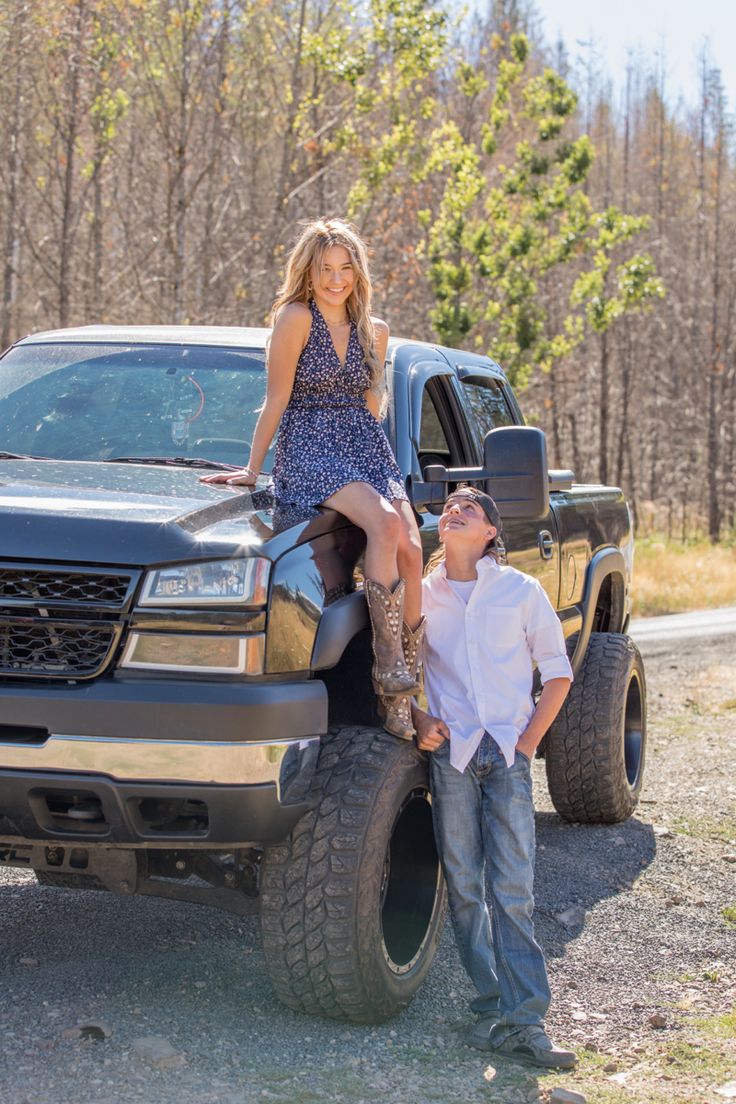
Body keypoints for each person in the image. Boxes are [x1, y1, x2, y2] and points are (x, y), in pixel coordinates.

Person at [202, 218, 423, 740]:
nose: (335, 279)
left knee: (413, 546)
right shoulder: (296, 317)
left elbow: (371, 405)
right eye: (325, 268)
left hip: (363, 443)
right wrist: (254, 470)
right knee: (385, 525)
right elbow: (276, 397)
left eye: (345, 268)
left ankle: (409, 689)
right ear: (309, 271)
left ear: (358, 272)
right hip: (311, 444)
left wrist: (375, 438)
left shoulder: (376, 330)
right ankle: (388, 671)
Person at [412, 486, 577, 1069]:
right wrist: (419, 717)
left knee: (512, 890)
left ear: (490, 533)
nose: (454, 511)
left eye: (470, 508)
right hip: (451, 756)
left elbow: (557, 674)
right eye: (449, 506)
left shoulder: (520, 591)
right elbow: (404, 673)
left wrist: (527, 743)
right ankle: (490, 1007)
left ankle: (528, 1020)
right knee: (463, 889)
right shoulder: (422, 595)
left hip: (506, 753)